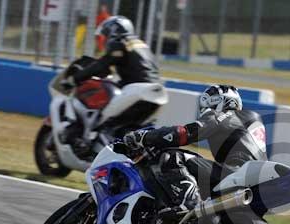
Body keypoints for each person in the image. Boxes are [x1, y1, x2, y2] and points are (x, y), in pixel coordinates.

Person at [123, 85, 268, 207]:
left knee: (172, 158)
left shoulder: (224, 115)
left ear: (220, 103)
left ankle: (190, 205)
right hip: (259, 184)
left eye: (207, 106)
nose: (205, 111)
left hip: (235, 174)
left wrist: (145, 137)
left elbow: (186, 133)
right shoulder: (252, 120)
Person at [64, 15, 161, 154]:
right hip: (157, 92)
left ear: (113, 30)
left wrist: (76, 77)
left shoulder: (120, 42)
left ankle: (91, 148)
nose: (105, 39)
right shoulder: (141, 44)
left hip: (138, 90)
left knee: (107, 124)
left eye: (106, 34)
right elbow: (141, 70)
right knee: (137, 127)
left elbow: (101, 64)